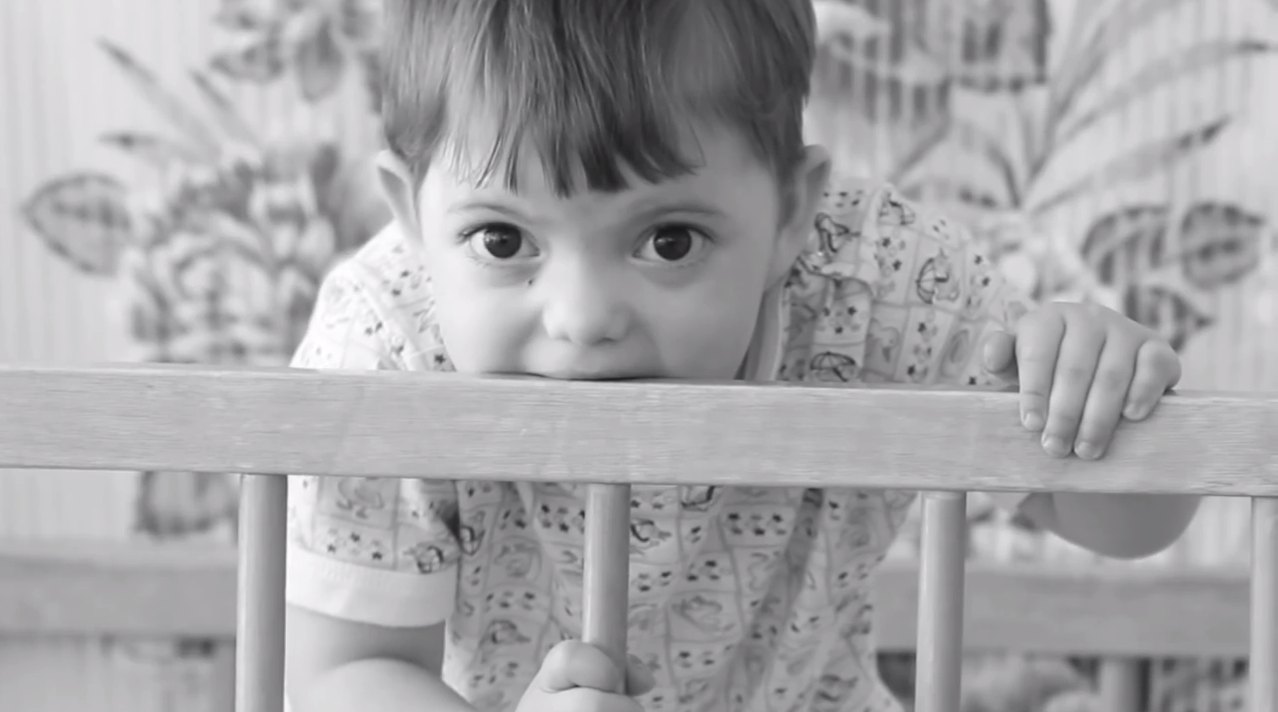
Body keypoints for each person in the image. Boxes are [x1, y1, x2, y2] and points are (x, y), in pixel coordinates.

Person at [282, 1, 1200, 711]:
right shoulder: (382, 345)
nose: (583, 318)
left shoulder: (881, 284)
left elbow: (1130, 525)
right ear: (411, 217)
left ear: (792, 213)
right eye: (502, 240)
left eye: (669, 241)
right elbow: (341, 675)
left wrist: (1098, 392)